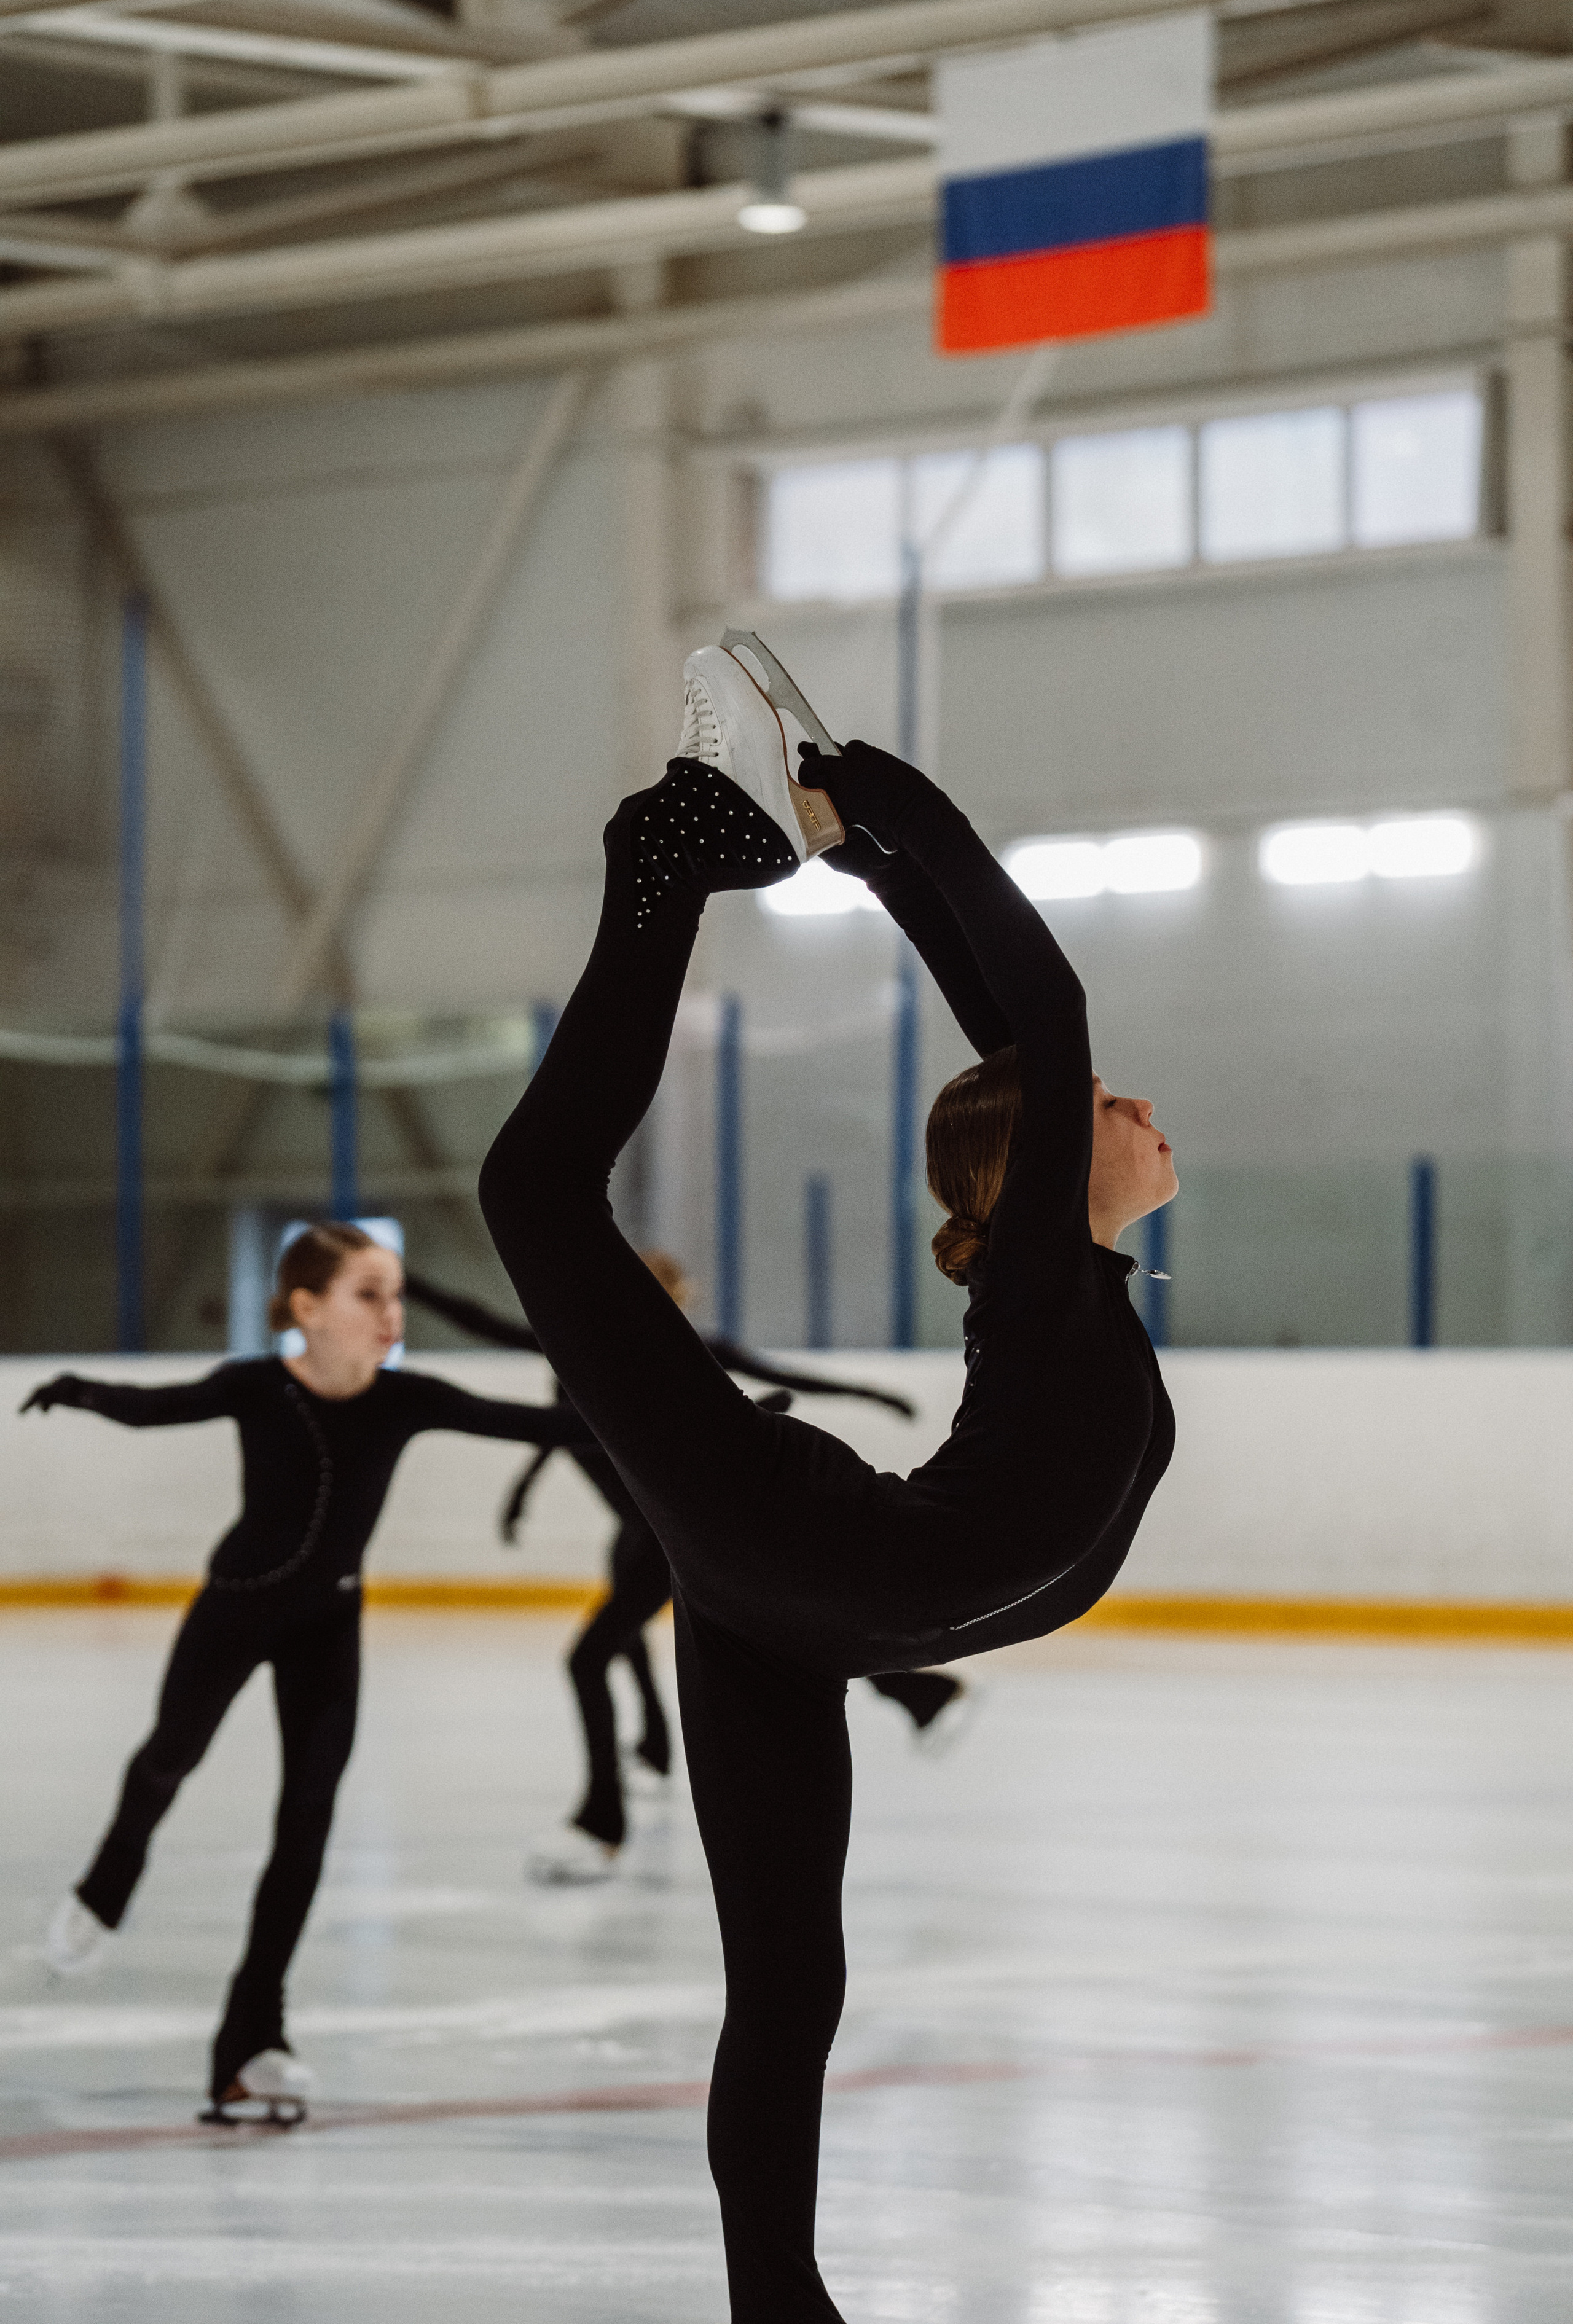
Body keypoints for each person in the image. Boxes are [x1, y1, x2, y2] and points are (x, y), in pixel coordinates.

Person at [475, 644, 1179, 2322]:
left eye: (1118, 1106)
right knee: (536, 1194)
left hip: (801, 1600)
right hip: (812, 1560)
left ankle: (776, 2307)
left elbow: (1039, 1028)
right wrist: (882, 825)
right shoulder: (1040, 1290)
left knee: (787, 1985)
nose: (1143, 1111)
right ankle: (664, 859)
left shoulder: (1059, 1291)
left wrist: (881, 834)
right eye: (1108, 1109)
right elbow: (1035, 1019)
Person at [20, 1221, 584, 2126]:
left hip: (331, 1621)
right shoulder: (254, 1386)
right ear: (307, 1309)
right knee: (170, 1755)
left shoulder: (410, 1400)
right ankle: (108, 1881)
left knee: (308, 1822)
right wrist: (77, 1388)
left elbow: (553, 1423)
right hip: (235, 1609)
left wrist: (711, 1420)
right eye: (369, 1294)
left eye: (396, 1294)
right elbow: (153, 1407)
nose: (390, 1313)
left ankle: (250, 2044)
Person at [402, 1262, 971, 1882]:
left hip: (664, 1530)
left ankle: (602, 1822)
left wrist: (871, 1393)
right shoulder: (582, 1341)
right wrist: (523, 1490)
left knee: (594, 1656)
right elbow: (557, 1411)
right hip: (640, 1527)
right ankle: (660, 1746)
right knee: (708, 1633)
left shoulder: (669, 1349)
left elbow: (774, 1382)